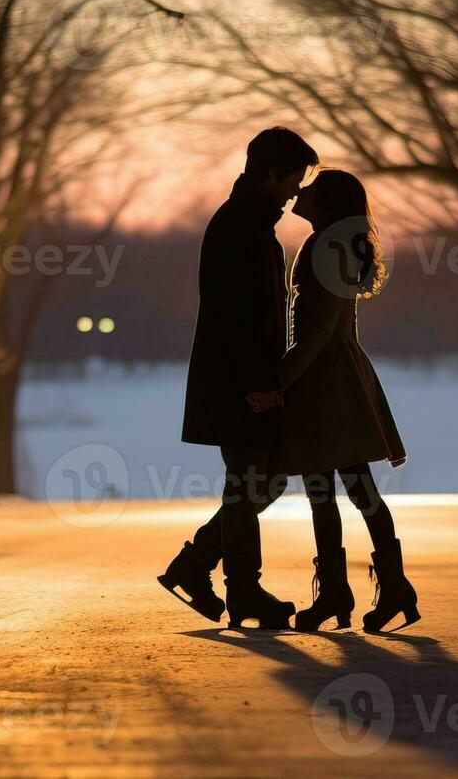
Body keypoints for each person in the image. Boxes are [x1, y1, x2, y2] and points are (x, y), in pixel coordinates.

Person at [157, 127, 318, 630]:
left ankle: (198, 567)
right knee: (253, 481)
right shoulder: (238, 228)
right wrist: (259, 383)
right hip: (240, 384)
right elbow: (234, 314)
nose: (296, 191)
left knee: (258, 483)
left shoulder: (249, 224)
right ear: (270, 173)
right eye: (293, 179)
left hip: (242, 380)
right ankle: (241, 591)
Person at [255, 170, 419, 634]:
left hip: (325, 383)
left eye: (311, 188)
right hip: (330, 378)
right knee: (340, 488)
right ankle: (370, 589)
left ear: (326, 204)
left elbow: (318, 330)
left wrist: (279, 382)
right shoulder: (334, 243)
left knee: (336, 488)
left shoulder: (326, 247)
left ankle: (352, 591)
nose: (299, 191)